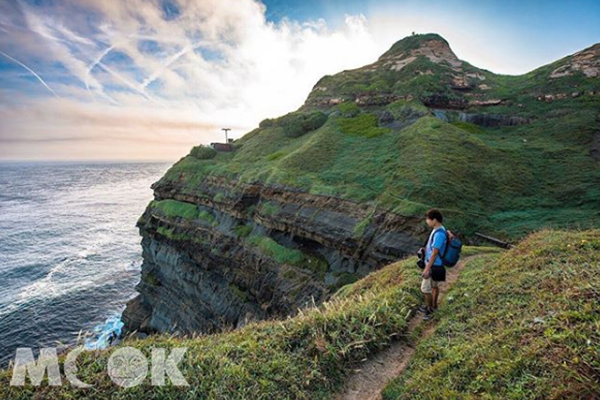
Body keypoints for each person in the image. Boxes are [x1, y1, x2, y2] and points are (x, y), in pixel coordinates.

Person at [419, 208, 453, 321]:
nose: (426, 221)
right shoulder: (439, 229)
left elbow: (435, 253)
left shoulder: (439, 234)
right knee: (434, 286)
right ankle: (434, 306)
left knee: (425, 289)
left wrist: (427, 268)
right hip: (436, 264)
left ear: (434, 220)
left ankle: (429, 309)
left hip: (434, 265)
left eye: (428, 219)